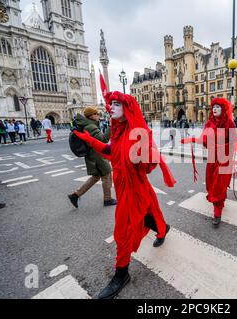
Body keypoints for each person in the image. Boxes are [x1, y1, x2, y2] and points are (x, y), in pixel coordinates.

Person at [73, 91, 176, 300]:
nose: (111, 107)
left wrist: (144, 153)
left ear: (127, 108)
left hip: (134, 188)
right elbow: (110, 152)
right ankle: (162, 228)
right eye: (110, 104)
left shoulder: (137, 132)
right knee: (149, 215)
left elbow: (148, 165)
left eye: (116, 104)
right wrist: (88, 140)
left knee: (123, 230)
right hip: (123, 185)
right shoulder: (118, 130)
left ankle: (121, 274)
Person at [181, 98, 237, 227]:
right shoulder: (209, 123)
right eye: (213, 107)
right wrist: (191, 139)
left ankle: (217, 212)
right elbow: (203, 139)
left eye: (218, 107)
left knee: (218, 185)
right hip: (212, 158)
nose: (214, 109)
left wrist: (235, 147)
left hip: (224, 159)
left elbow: (234, 140)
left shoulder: (230, 124)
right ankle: (220, 200)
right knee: (211, 184)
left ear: (223, 109)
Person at [68, 107, 116, 208]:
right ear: (92, 115)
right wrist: (110, 126)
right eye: (97, 113)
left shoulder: (88, 124)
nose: (99, 115)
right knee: (107, 175)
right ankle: (107, 199)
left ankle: (75, 195)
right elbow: (103, 139)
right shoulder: (91, 126)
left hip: (92, 155)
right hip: (97, 155)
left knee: (96, 177)